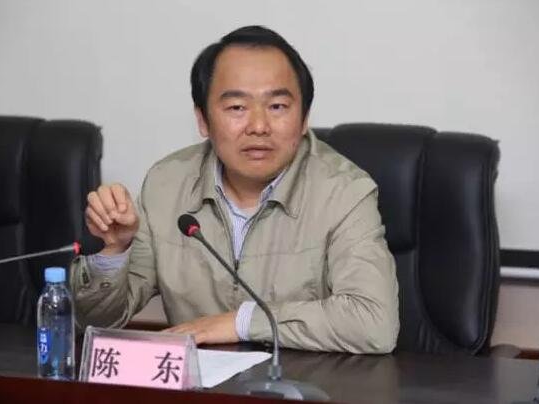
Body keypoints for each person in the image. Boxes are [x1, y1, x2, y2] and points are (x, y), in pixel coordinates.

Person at [71, 25, 399, 353]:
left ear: (303, 119)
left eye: (277, 106)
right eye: (237, 108)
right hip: (200, 381)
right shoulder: (166, 184)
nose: (258, 126)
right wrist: (114, 251)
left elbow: (374, 323)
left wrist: (240, 322)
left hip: (304, 380)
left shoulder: (344, 192)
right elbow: (97, 321)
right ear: (203, 120)